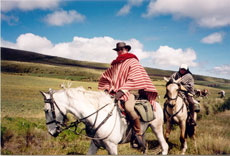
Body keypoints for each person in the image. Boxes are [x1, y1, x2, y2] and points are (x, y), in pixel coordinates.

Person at [98, 42, 158, 149]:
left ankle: (138, 133)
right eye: (118, 50)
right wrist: (108, 87)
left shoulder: (133, 61)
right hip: (116, 92)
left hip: (130, 92)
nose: (119, 51)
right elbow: (106, 76)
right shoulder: (115, 64)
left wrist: (123, 90)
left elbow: (135, 78)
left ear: (126, 49)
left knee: (128, 108)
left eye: (121, 49)